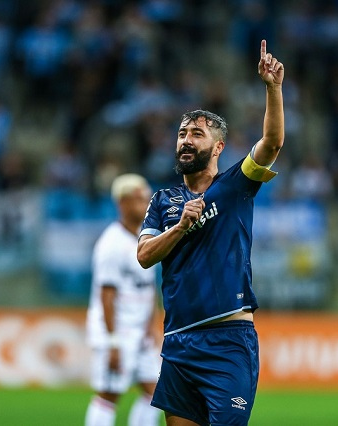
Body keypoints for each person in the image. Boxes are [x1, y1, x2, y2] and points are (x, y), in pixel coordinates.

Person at [137, 40, 285, 426]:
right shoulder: (163, 201)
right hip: (178, 344)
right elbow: (144, 256)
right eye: (182, 133)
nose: (186, 139)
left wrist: (272, 88)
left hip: (228, 340)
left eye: (196, 134)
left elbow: (271, 143)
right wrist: (181, 226)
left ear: (218, 146)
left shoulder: (235, 185)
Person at [85, 173, 163, 426]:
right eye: (139, 199)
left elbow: (149, 287)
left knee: (155, 391)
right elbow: (106, 296)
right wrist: (112, 341)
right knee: (109, 394)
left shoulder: (146, 239)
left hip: (141, 331)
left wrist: (152, 324)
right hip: (118, 330)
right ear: (123, 203)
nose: (146, 205)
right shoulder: (111, 244)